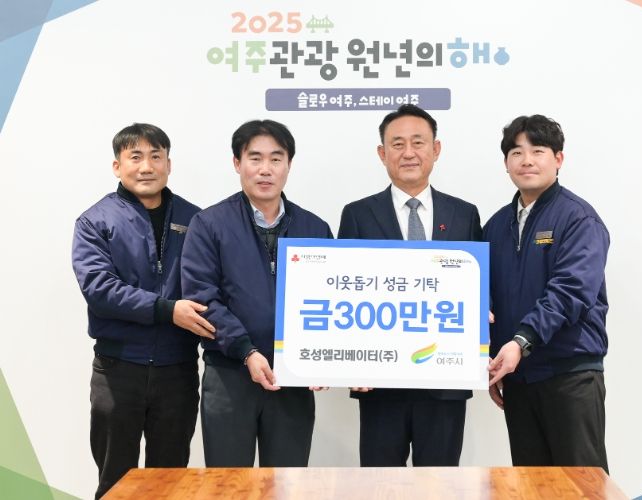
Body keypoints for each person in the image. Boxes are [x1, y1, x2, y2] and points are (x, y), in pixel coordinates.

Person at [72, 123, 215, 498]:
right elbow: (99, 289)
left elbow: (213, 284)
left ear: (169, 164)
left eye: (156, 156)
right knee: (115, 482)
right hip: (118, 370)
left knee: (170, 482)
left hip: (177, 370)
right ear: (117, 166)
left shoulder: (197, 220)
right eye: (135, 157)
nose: (147, 166)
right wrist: (167, 310)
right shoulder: (95, 221)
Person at [181, 119, 333, 467]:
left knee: (288, 484)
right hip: (230, 373)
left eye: (276, 159)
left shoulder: (314, 228)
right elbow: (203, 299)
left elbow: (330, 298)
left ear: (289, 165)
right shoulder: (209, 224)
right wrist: (246, 351)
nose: (266, 169)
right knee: (229, 485)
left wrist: (323, 359)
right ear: (237, 163)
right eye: (255, 158)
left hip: (292, 380)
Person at [337, 104, 482, 466]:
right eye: (397, 144)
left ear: (436, 149)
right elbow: (342, 292)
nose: (408, 153)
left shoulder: (464, 214)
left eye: (418, 142)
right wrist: (350, 362)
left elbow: (479, 287)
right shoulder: (357, 215)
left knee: (441, 485)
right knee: (379, 484)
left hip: (446, 382)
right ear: (382, 153)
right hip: (380, 382)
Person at [485, 114, 610, 472]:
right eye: (516, 152)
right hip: (519, 378)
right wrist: (491, 361)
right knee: (532, 486)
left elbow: (571, 291)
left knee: (582, 486)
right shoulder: (496, 226)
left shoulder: (578, 218)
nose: (526, 160)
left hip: (569, 376)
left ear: (558, 159)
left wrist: (521, 341)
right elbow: (485, 298)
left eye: (537, 151)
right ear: (506, 163)